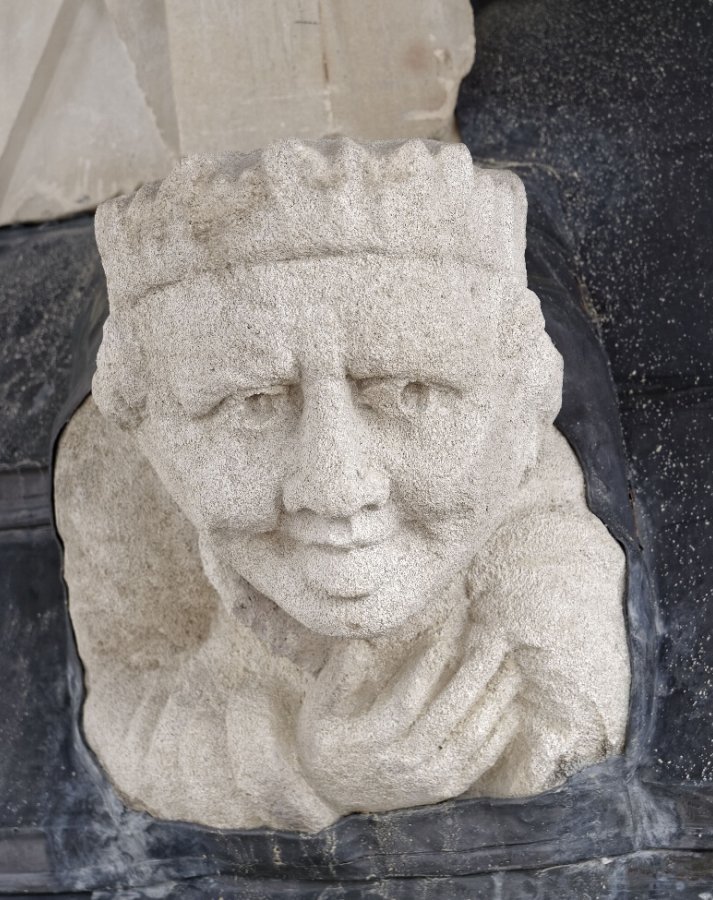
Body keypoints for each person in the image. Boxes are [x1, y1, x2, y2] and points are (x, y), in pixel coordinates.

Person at [57, 138, 629, 832]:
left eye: (411, 393)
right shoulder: (116, 484)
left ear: (521, 404)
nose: (336, 485)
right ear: (145, 429)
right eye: (254, 405)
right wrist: (302, 767)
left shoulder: (541, 560)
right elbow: (123, 702)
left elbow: (550, 737)